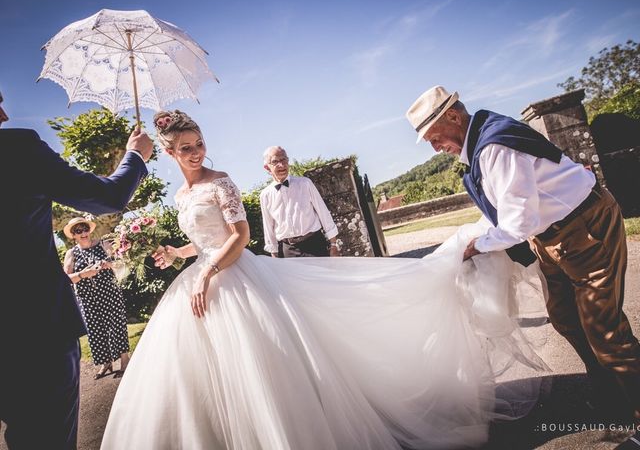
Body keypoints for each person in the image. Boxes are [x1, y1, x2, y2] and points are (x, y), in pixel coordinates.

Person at [101, 110, 548, 450]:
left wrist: (208, 273)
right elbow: (204, 239)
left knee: (270, 369)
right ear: (168, 152)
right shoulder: (181, 194)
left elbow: (240, 237)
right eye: (185, 147)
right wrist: (176, 253)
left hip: (234, 277)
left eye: (198, 142)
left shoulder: (223, 183)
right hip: (203, 278)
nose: (196, 151)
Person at [406, 85, 640, 448]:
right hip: (552, 236)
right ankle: (612, 395)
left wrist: (475, 247)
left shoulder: (494, 147)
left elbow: (517, 223)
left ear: (453, 116)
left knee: (604, 329)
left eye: (434, 138)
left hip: (584, 228)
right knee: (564, 317)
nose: (437, 148)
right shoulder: (483, 141)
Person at [0, 91, 153, 450]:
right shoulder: (17, 148)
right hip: (35, 332)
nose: (5, 115)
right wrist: (136, 156)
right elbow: (109, 197)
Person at [63, 217, 130, 379]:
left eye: (85, 229)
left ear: (89, 230)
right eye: (78, 231)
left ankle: (124, 361)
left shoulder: (103, 244)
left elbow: (123, 264)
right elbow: (65, 279)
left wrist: (110, 264)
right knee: (95, 330)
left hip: (110, 292)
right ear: (73, 235)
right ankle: (105, 363)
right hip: (87, 298)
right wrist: (83, 274)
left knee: (117, 324)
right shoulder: (71, 253)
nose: (83, 233)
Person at [260, 146, 340, 257]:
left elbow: (323, 213)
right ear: (267, 168)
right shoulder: (265, 195)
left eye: (284, 160)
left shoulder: (305, 183)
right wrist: (274, 254)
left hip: (314, 245)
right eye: (275, 162)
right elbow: (268, 226)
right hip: (287, 251)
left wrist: (334, 244)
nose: (281, 165)